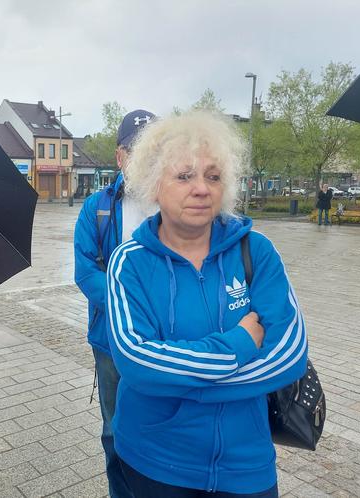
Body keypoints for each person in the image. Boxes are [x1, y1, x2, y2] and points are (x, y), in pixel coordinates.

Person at [106, 111, 307, 497]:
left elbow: (289, 356)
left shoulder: (257, 252)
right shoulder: (129, 263)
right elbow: (137, 362)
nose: (201, 188)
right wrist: (241, 343)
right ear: (153, 185)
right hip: (156, 462)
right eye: (184, 176)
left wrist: (185, 383)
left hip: (245, 465)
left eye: (213, 176)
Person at [74, 109, 155, 498]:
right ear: (120, 156)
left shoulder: (174, 201)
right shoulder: (98, 208)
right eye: (136, 150)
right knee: (114, 428)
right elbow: (85, 270)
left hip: (166, 342)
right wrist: (127, 309)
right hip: (111, 341)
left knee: (161, 426)